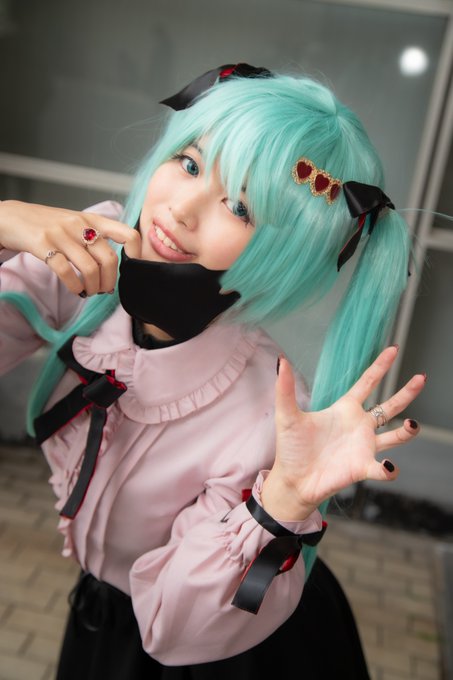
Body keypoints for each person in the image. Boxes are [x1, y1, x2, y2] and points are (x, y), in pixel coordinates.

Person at [0, 64, 425, 679]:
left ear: (284, 255)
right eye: (191, 163)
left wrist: (282, 500)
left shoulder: (266, 413)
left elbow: (172, 627)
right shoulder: (87, 258)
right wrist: (4, 221)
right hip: (104, 617)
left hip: (231, 648)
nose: (182, 208)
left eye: (241, 206)